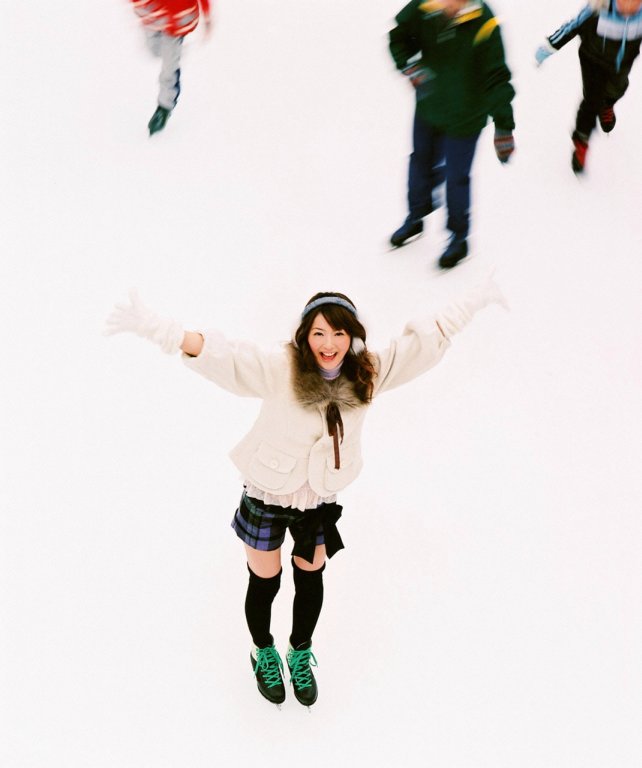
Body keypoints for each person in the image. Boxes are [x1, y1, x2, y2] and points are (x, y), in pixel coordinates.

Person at [104, 279, 506, 706]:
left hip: (318, 499)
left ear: (352, 336)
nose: (328, 344)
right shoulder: (282, 368)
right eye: (318, 333)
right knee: (266, 579)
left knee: (310, 574)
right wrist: (162, 330)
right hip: (267, 494)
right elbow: (228, 358)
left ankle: (299, 652)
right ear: (304, 336)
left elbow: (420, 346)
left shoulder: (367, 373)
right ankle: (263, 651)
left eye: (338, 333)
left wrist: (472, 301)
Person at [388, 0, 515, 269]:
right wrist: (410, 66)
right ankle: (416, 216)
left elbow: (496, 77)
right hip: (429, 106)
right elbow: (398, 37)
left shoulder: (485, 23)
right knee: (420, 162)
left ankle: (459, 238)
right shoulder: (424, 8)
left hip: (466, 116)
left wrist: (504, 125)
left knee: (456, 177)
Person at [535, 0, 642, 173]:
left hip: (622, 63)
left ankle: (607, 105)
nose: (629, 5)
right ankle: (581, 141)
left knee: (618, 89)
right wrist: (549, 46)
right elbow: (572, 26)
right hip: (593, 60)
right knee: (592, 101)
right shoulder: (598, 9)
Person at [131, 0, 212, 135]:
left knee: (169, 66)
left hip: (176, 23)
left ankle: (165, 107)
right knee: (154, 50)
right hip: (153, 16)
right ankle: (172, 51)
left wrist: (207, 14)